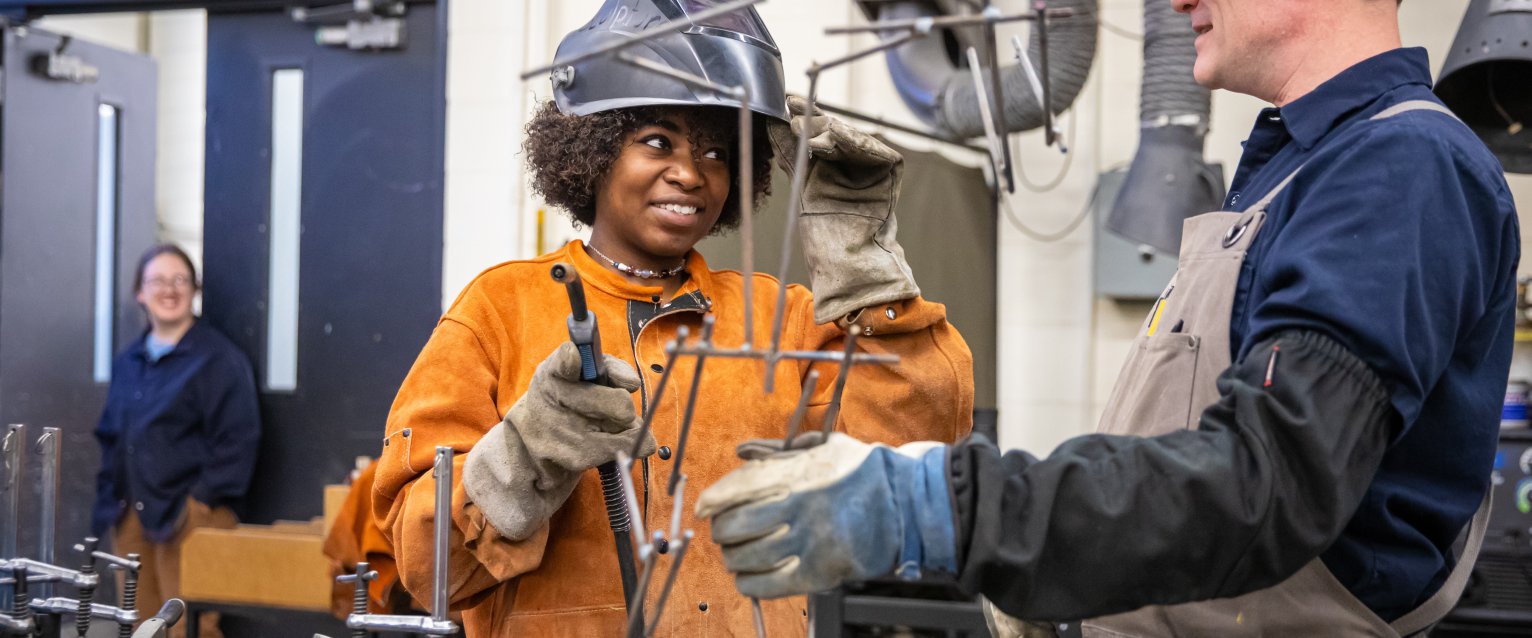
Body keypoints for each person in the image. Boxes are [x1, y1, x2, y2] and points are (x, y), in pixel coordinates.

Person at [696, 1, 1522, 636]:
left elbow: (1265, 483)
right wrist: (1067, 584)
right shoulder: (1298, 172)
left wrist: (949, 510)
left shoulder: (1396, 167)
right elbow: (1191, 460)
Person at [369, 1, 974, 635]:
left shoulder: (782, 318)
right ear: (593, 149)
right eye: (657, 142)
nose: (690, 174)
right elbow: (427, 567)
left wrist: (865, 266)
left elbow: (913, 453)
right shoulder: (500, 308)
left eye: (716, 152)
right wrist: (523, 457)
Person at [93, 244, 261, 638]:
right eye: (157, 281)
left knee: (191, 628)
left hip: (191, 517)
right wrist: (110, 500)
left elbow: (239, 439)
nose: (169, 290)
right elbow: (111, 434)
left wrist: (199, 503)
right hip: (131, 513)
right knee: (140, 627)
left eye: (179, 280)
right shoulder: (128, 361)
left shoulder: (219, 359)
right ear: (140, 292)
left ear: (194, 290)